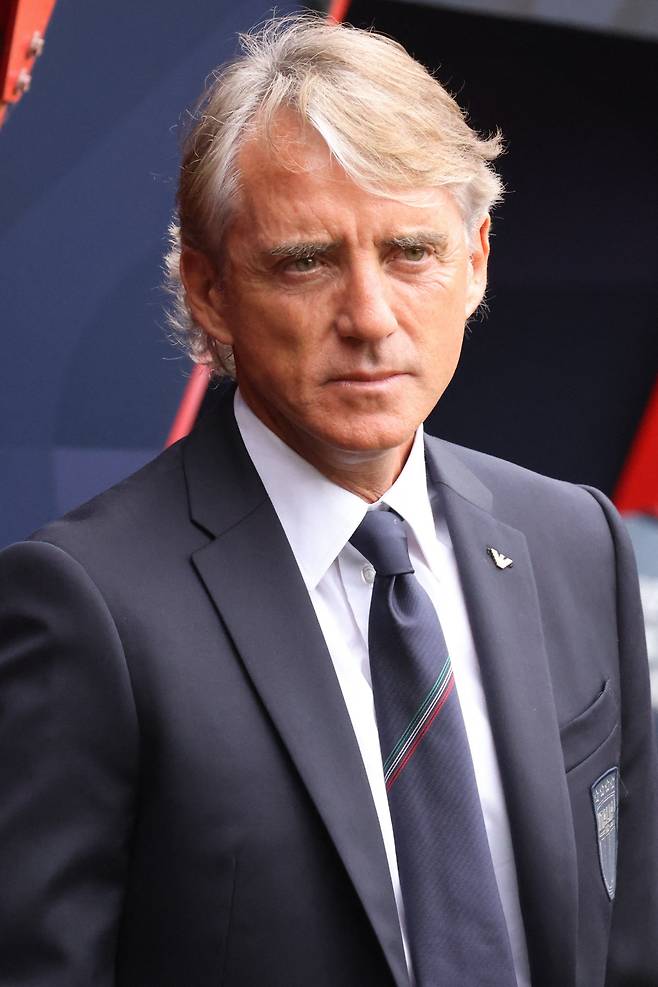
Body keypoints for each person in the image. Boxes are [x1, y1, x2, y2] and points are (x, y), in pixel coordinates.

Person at [0, 14, 656, 987]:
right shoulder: (86, 607)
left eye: (410, 252)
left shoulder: (574, 543)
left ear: (474, 259)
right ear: (210, 291)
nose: (369, 318)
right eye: (305, 260)